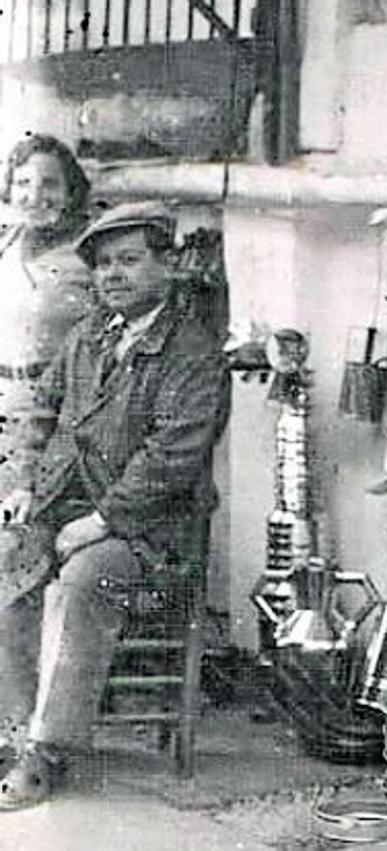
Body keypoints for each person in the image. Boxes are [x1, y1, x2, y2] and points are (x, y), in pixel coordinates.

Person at [0, 201, 230, 809]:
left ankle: (47, 751)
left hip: (152, 536)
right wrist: (22, 481)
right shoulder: (89, 335)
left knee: (81, 580)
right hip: (67, 509)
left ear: (169, 264)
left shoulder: (193, 351)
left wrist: (101, 522)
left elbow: (171, 457)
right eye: (102, 265)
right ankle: (12, 732)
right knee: (4, 558)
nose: (111, 276)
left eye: (128, 261)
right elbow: (38, 412)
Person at [0, 134, 95, 497]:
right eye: (23, 182)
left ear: (71, 191)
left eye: (50, 183)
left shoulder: (89, 253)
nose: (35, 195)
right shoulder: (5, 245)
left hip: (56, 412)